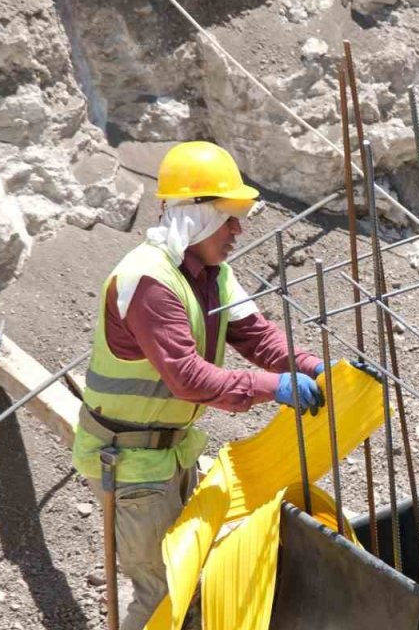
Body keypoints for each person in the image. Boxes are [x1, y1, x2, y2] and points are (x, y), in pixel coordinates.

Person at [71, 141, 343, 629]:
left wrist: (312, 367)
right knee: (162, 592)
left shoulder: (212, 275)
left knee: (190, 578)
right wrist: (272, 386)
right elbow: (188, 377)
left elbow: (255, 336)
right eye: (229, 216)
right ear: (194, 216)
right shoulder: (149, 282)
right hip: (128, 461)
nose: (238, 229)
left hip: (170, 452)